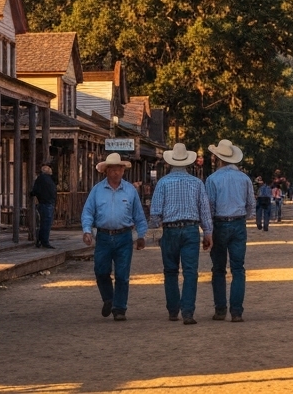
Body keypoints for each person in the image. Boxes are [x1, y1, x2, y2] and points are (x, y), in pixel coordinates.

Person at [150, 142, 213, 324]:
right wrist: (208, 232)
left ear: (170, 162)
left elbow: (155, 212)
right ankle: (188, 312)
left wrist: (156, 228)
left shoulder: (163, 183)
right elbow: (204, 210)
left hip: (170, 229)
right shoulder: (197, 183)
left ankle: (173, 310)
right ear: (187, 162)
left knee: (170, 271)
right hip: (191, 229)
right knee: (190, 271)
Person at [81, 153, 148, 321]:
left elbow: (139, 215)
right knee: (101, 271)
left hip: (124, 236)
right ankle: (109, 299)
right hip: (103, 236)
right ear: (106, 171)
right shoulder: (97, 190)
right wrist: (87, 230)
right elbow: (88, 211)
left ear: (123, 170)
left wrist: (141, 235)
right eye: (112, 169)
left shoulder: (130, 191)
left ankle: (119, 309)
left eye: (119, 169)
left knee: (122, 275)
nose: (116, 172)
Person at [205, 139, 255, 322]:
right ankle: (236, 311)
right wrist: (242, 217)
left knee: (218, 269)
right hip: (238, 223)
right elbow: (251, 205)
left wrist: (207, 230)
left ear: (218, 158)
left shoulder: (212, 179)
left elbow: (209, 207)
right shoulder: (244, 178)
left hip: (219, 224)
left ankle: (220, 310)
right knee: (238, 268)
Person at [30, 164, 57, 249]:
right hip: (48, 203)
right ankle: (44, 241)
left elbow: (35, 190)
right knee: (46, 223)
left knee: (43, 223)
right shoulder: (49, 180)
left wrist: (32, 194)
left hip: (44, 202)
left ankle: (40, 240)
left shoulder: (41, 179)